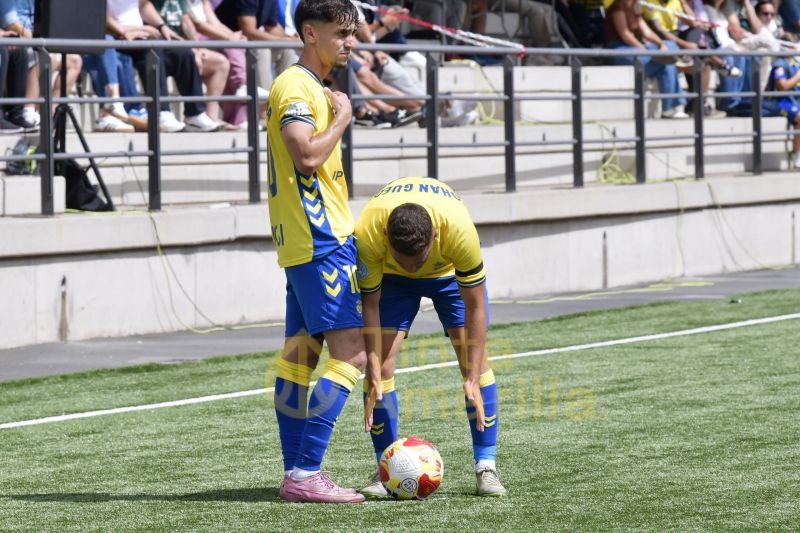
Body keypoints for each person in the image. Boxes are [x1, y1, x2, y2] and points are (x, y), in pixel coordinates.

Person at [268, 0, 367, 504]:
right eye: (342, 33)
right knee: (353, 353)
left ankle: (296, 472)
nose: (352, 42)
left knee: (299, 358)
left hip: (306, 239)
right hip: (320, 240)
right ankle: (305, 474)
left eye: (353, 34)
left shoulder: (309, 86)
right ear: (310, 32)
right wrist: (344, 116)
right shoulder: (297, 86)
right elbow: (305, 155)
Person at [356, 176, 507, 498]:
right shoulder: (368, 230)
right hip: (391, 281)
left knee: (476, 366)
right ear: (385, 237)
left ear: (435, 235)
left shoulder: (458, 230)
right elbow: (369, 302)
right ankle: (385, 469)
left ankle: (486, 467)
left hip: (447, 275)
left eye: (418, 261)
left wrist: (470, 376)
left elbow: (476, 305)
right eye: (404, 260)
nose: (412, 269)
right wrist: (371, 364)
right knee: (380, 370)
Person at [106, 0, 220, 132]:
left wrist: (162, 26)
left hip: (141, 34)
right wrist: (133, 29)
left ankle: (195, 113)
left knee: (184, 52)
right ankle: (161, 112)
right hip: (117, 35)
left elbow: (143, 5)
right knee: (154, 51)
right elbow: (101, 15)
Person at [604, 0, 689, 118]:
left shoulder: (635, 7)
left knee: (668, 49)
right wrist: (644, 50)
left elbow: (647, 33)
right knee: (666, 63)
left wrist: (661, 45)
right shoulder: (618, 6)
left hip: (637, 48)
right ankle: (670, 107)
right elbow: (625, 35)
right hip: (619, 50)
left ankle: (669, 108)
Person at [214, 0, 299, 90]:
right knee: (262, 50)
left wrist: (291, 39)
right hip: (222, 43)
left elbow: (271, 27)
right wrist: (286, 40)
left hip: (245, 44)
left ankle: (286, 98)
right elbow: (249, 31)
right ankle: (264, 100)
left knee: (287, 49)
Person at [767, 56, 800, 166]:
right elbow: (782, 86)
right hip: (782, 102)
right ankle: (797, 153)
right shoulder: (781, 63)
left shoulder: (796, 61)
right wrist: (798, 76)